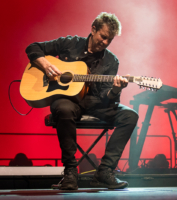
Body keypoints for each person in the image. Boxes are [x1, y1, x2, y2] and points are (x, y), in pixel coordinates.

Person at [25, 12, 139, 190]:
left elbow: (105, 98)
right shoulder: (70, 43)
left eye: (109, 40)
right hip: (68, 101)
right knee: (63, 108)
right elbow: (33, 48)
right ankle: (70, 172)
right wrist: (47, 66)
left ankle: (105, 171)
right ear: (93, 29)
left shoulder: (111, 61)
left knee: (130, 116)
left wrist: (115, 89)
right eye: (103, 36)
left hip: (95, 103)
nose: (105, 42)